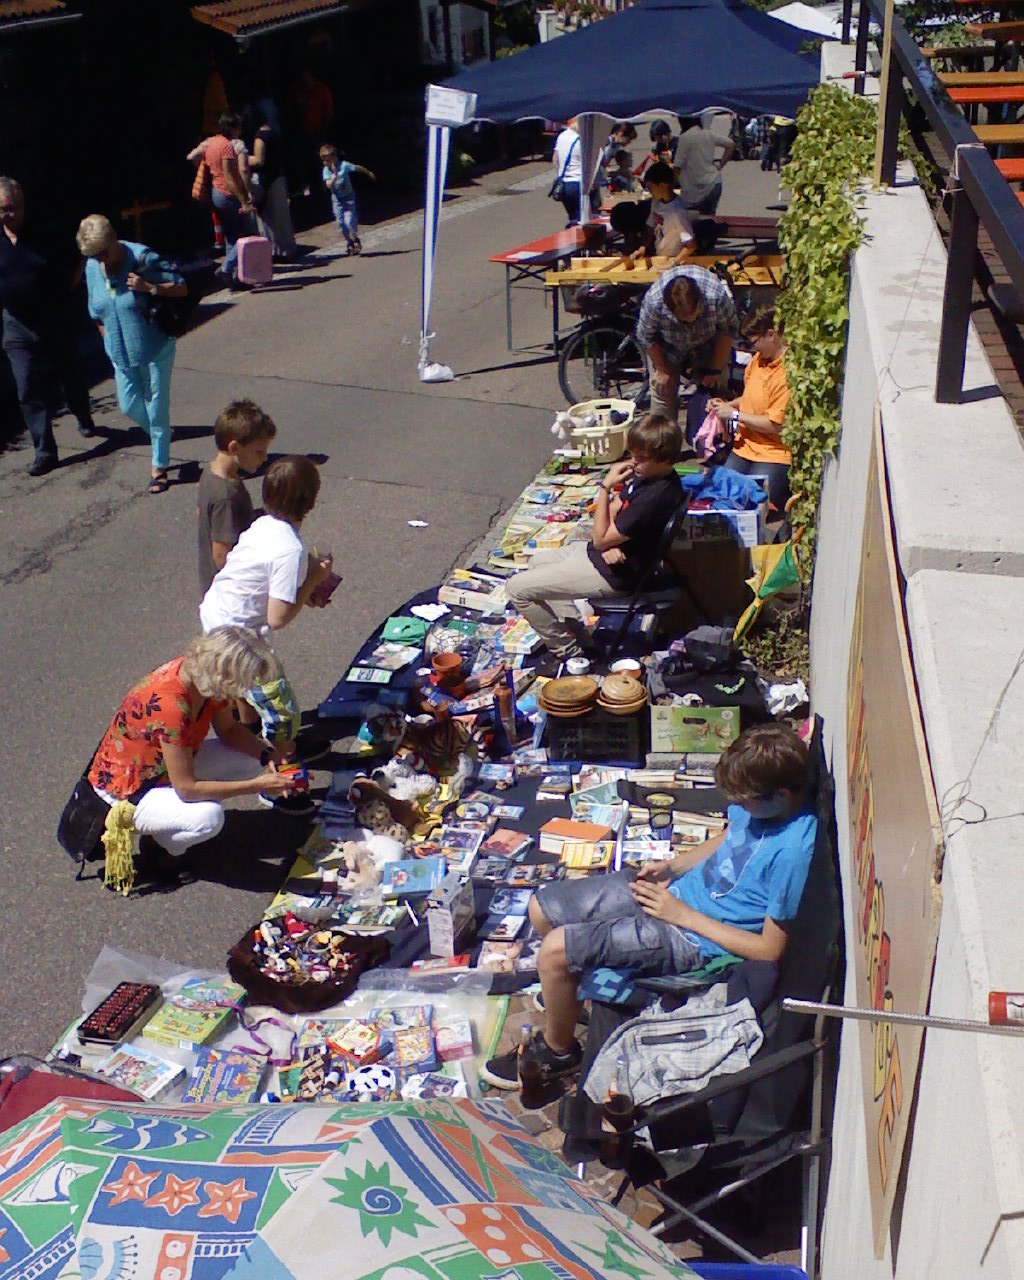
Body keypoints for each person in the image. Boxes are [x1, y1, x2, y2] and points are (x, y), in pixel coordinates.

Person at [481, 722, 817, 1088]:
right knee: (541, 908)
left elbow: (769, 949)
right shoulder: (759, 806)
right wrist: (673, 867)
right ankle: (570, 998)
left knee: (555, 950)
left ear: (781, 795)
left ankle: (558, 1053)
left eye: (745, 801)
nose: (737, 806)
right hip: (673, 898)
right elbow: (727, 837)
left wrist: (682, 915)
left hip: (694, 939)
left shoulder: (794, 851)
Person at [78, 626, 298, 886]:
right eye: (241, 686)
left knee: (252, 757)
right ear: (223, 676)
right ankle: (160, 849)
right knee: (208, 819)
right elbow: (187, 789)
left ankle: (167, 825)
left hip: (157, 770)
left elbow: (229, 730)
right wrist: (256, 786)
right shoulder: (172, 707)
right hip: (127, 793)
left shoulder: (199, 674)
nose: (243, 695)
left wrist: (267, 755)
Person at [200, 455, 334, 796]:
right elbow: (278, 618)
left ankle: (250, 738)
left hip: (216, 613)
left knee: (242, 690)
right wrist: (314, 580)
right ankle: (279, 775)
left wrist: (303, 590)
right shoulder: (290, 549)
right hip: (238, 637)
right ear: (310, 501)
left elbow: (262, 577)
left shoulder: (262, 524)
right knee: (283, 711)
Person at [506, 414, 683, 662]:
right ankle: (578, 632)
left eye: (641, 458)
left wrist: (604, 488)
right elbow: (613, 511)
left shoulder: (655, 496)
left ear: (664, 458)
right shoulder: (648, 476)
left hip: (612, 573)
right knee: (536, 563)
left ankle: (568, 651)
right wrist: (611, 541)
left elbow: (601, 535)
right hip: (604, 555)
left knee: (516, 589)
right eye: (633, 454)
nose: (633, 462)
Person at [77, 214, 186, 495]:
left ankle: (159, 467)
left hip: (155, 348)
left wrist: (149, 287)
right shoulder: (93, 267)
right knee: (128, 406)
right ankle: (161, 435)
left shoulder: (142, 258)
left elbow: (181, 287)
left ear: (113, 239)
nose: (100, 260)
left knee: (156, 407)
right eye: (94, 256)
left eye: (103, 253)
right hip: (120, 354)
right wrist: (108, 340)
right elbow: (96, 311)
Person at [0, 177, 96, 476]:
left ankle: (82, 412)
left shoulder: (44, 233)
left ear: (23, 205)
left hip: (53, 318)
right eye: (2, 209)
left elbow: (77, 262)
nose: (8, 215)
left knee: (70, 373)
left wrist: (63, 295)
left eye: (12, 208)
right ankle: (44, 451)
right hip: (16, 324)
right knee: (27, 386)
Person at [710, 307, 792, 515]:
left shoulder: (786, 374)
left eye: (755, 342)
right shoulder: (758, 361)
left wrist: (734, 415)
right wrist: (728, 405)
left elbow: (776, 424)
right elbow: (749, 398)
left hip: (773, 453)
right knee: (722, 494)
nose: (753, 349)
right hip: (745, 445)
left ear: (771, 335)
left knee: (753, 504)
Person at [635, 265, 739, 425]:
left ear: (700, 301)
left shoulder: (715, 295)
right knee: (662, 391)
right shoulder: (654, 302)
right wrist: (662, 370)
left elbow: (728, 331)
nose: (689, 322)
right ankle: (662, 437)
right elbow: (646, 338)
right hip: (667, 346)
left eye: (693, 315)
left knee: (715, 391)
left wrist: (715, 369)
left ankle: (713, 436)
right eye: (682, 319)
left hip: (709, 342)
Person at [198, 398, 277, 595]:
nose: (265, 457)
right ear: (234, 448)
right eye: (258, 451)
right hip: (230, 596)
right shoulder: (225, 496)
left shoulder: (212, 473)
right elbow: (221, 556)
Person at [188, 114, 254, 291]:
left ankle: (235, 279)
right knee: (246, 234)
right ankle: (226, 267)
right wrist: (244, 201)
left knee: (231, 237)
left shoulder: (211, 143)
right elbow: (230, 177)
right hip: (227, 193)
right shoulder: (226, 146)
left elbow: (192, 158)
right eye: (238, 127)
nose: (240, 130)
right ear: (232, 128)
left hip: (215, 192)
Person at [251, 115, 298, 262]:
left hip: (266, 180)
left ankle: (274, 252)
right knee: (281, 217)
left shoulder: (260, 136)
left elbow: (259, 160)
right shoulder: (275, 134)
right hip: (278, 177)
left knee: (268, 219)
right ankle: (287, 250)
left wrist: (242, 157)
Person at [320, 145, 375, 256]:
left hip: (349, 198)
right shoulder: (326, 171)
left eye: (329, 160)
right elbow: (328, 185)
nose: (327, 163)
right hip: (337, 200)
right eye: (325, 161)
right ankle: (349, 242)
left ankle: (355, 238)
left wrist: (368, 172)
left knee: (349, 221)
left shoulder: (344, 166)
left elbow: (357, 168)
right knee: (341, 224)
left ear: (335, 158)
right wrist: (334, 176)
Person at [675, 115, 734, 216]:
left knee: (689, 219)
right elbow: (731, 144)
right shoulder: (708, 133)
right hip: (714, 183)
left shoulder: (684, 138)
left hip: (694, 190)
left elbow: (677, 167)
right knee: (709, 218)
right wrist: (720, 165)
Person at [637, 162, 695, 264]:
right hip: (660, 255)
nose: (649, 192)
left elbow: (691, 245)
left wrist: (673, 263)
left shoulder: (677, 211)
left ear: (663, 185)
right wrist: (642, 247)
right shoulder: (656, 202)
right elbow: (650, 227)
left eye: (651, 188)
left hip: (673, 258)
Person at [551, 119, 585, 227]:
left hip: (564, 184)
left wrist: (560, 173)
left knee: (573, 218)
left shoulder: (561, 136)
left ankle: (572, 235)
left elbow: (555, 159)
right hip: (579, 182)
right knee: (585, 220)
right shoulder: (581, 139)